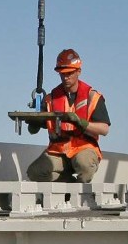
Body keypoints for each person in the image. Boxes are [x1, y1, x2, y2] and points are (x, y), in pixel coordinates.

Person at [25, 48, 111, 182]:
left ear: (79, 72)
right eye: (62, 74)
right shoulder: (50, 99)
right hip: (59, 150)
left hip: (84, 147)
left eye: (70, 73)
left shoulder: (92, 97)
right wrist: (33, 123)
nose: (66, 77)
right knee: (35, 172)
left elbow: (104, 129)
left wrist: (80, 122)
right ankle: (68, 187)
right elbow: (34, 129)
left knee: (84, 165)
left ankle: (80, 192)